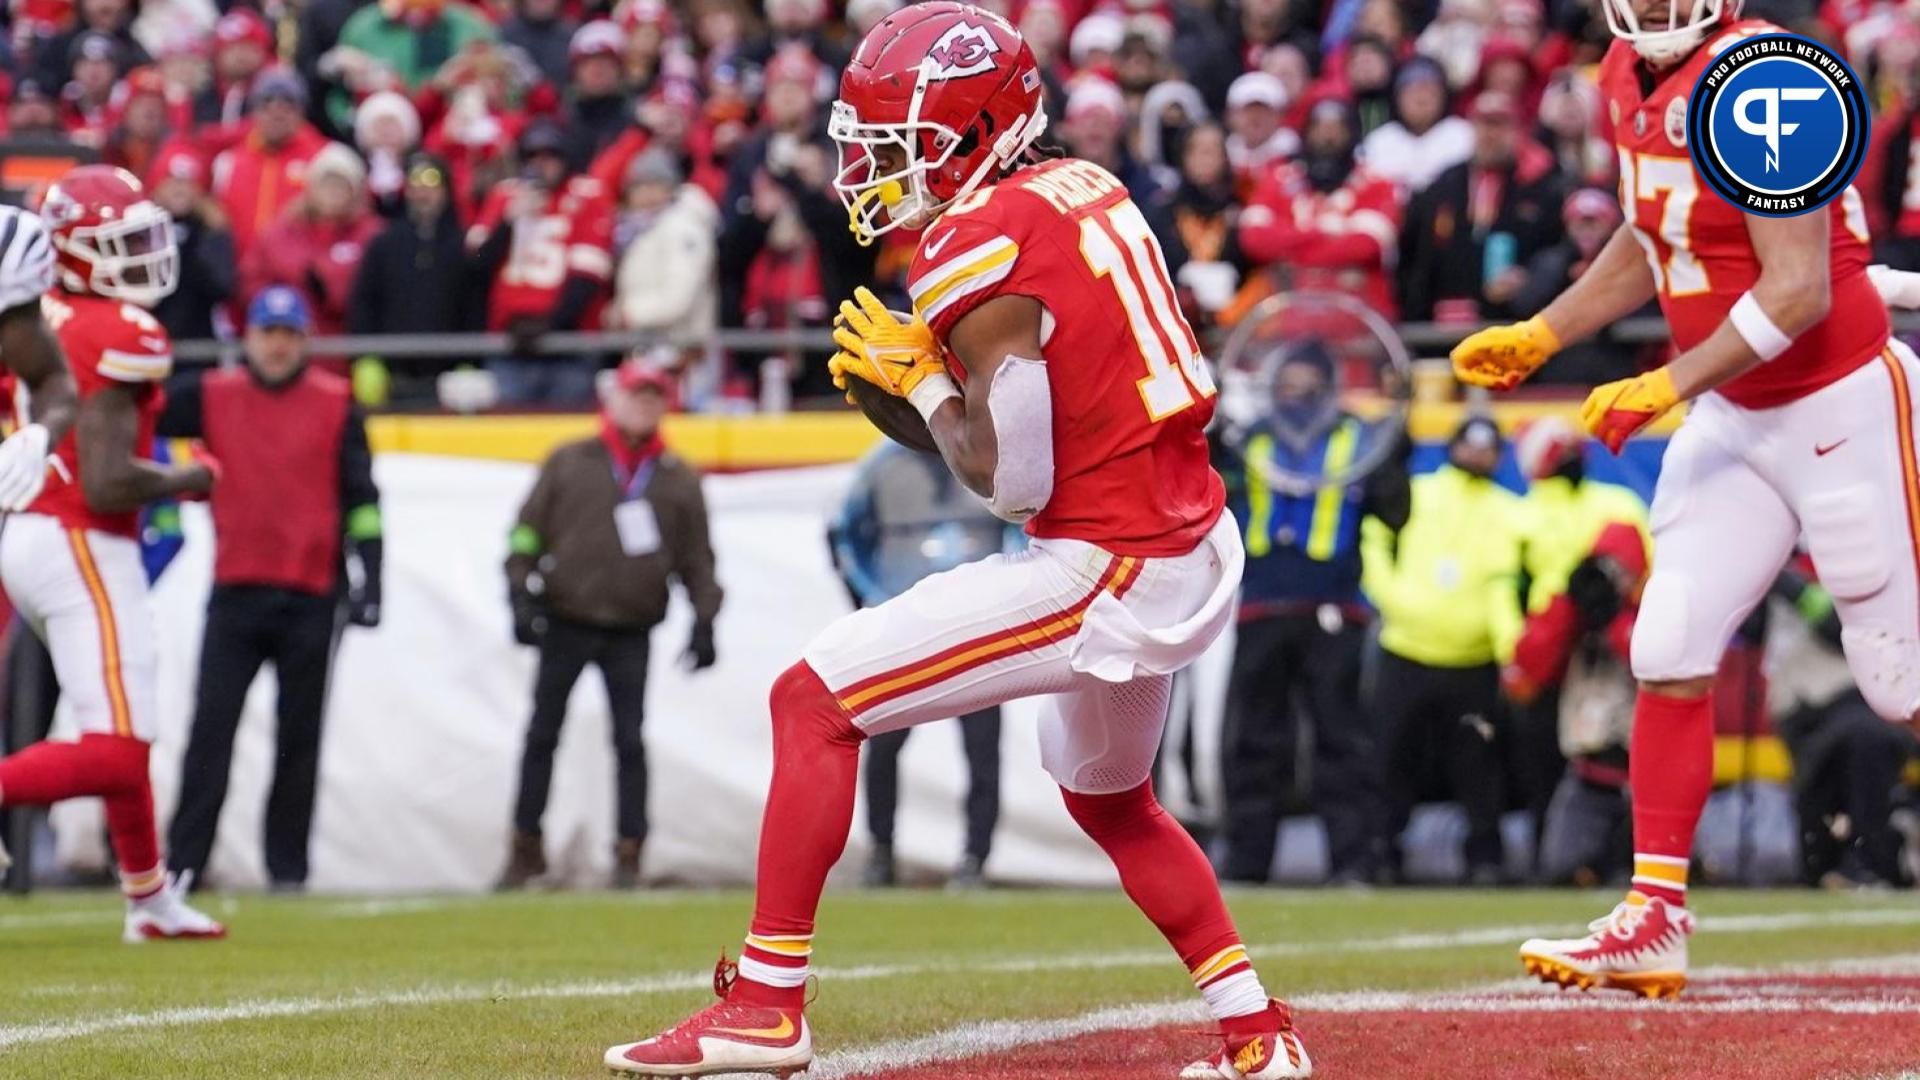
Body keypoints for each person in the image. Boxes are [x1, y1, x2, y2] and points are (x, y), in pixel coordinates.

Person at [606, 7, 1311, 1078]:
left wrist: (926, 386)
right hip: (1186, 528)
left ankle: (765, 1003)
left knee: (813, 702)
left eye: (893, 146)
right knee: (1110, 800)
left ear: (977, 132)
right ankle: (1258, 1036)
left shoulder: (976, 238)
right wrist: (933, 391)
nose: (870, 170)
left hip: (1106, 559)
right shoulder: (1089, 185)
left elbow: (1015, 480)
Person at [1453, 0, 1919, 998]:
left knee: (1901, 688)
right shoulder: (1623, 75)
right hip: (1736, 415)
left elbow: (1798, 290)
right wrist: (1546, 329)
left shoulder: (1769, 77)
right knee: (1666, 645)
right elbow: (1651, 231)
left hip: (1838, 406)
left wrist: (1670, 383)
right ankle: (1654, 917)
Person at [0, 167, 223, 940]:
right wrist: (192, 478)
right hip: (81, 537)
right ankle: (149, 897)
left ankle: (149, 897)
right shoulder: (120, 330)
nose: (140, 255)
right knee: (121, 748)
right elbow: (107, 479)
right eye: (120, 243)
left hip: (29, 530)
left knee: (115, 718)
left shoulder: (36, 311)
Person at [160, 287, 382, 892]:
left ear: (304, 340)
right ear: (249, 338)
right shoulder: (211, 395)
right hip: (236, 589)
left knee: (298, 743)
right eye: (268, 332)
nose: (278, 345)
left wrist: (372, 579)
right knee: (210, 735)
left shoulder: (337, 404)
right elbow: (140, 405)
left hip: (311, 592)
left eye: (288, 334)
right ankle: (183, 866)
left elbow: (363, 498)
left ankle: (288, 870)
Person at [502, 360, 720, 890]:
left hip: (632, 624)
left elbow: (697, 559)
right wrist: (520, 593)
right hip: (566, 615)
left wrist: (705, 619)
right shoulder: (569, 461)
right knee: (542, 734)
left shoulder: (676, 478)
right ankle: (525, 848)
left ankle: (629, 853)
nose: (643, 406)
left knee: (629, 741)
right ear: (613, 399)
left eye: (653, 397)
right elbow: (526, 533)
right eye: (635, 395)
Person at [1214, 343, 1409, 885]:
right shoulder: (1247, 439)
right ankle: (1247, 863)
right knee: (1253, 741)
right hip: (1260, 607)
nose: (1296, 394)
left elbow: (1396, 511)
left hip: (1334, 609)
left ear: (1328, 387)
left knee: (1341, 741)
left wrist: (1400, 443)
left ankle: (1354, 862)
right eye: (1287, 381)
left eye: (1308, 384)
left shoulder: (1361, 440)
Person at [827, 442, 1010, 889]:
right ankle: (881, 852)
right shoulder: (881, 467)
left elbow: (1026, 533)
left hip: (975, 633)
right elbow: (844, 537)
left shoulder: (995, 454)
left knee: (982, 750)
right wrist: (874, 599)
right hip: (903, 632)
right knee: (885, 745)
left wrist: (1004, 598)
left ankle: (975, 859)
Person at [1362, 416, 1525, 885]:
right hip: (1406, 649)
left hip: (1473, 659)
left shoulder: (1510, 508)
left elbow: (1509, 582)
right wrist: (1389, 596)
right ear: (1451, 446)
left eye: (1487, 448)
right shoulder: (1420, 490)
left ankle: (1484, 860)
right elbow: (1375, 534)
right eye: (1469, 446)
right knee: (1392, 759)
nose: (1477, 456)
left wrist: (1509, 644)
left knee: (1477, 766)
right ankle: (1381, 854)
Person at [1503, 522, 1649, 887]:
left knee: (1644, 877)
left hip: (1644, 779)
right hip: (1589, 774)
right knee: (1559, 870)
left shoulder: (1651, 611)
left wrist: (1615, 619)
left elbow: (1649, 664)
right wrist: (1570, 609)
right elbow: (1527, 670)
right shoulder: (1573, 610)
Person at [466, 119, 616, 406]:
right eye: (533, 157)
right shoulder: (504, 197)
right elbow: (476, 265)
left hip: (569, 345)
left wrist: (551, 326)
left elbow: (588, 274)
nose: (541, 165)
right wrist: (508, 223)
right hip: (510, 342)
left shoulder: (587, 195)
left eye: (549, 157)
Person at [1399, 91, 1566, 324]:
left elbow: (1555, 249)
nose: (1491, 135)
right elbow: (1414, 253)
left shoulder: (1540, 187)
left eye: (1500, 126)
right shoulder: (1443, 185)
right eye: (1484, 125)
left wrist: (1528, 279)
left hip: (1513, 322)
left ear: (1517, 131)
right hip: (1440, 323)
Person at [1238, 96, 1401, 318]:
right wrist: (1329, 235)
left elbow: (1365, 245)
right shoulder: (1277, 179)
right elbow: (1253, 238)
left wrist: (1289, 251)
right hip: (1286, 324)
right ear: (1306, 133)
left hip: (1359, 324)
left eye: (1337, 128)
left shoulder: (1378, 183)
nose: (1327, 137)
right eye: (1319, 128)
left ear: (1351, 133)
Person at [211, 70, 332, 261]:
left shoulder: (325, 159)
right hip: (241, 276)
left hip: (300, 277)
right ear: (254, 112)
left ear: (301, 112)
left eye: (288, 105)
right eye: (267, 104)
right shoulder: (228, 162)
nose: (277, 112)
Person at [147, 146, 236, 344]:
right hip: (153, 335)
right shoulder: (143, 229)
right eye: (172, 181)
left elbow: (221, 286)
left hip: (199, 341)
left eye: (187, 182)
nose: (179, 189)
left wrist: (212, 236)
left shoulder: (210, 229)